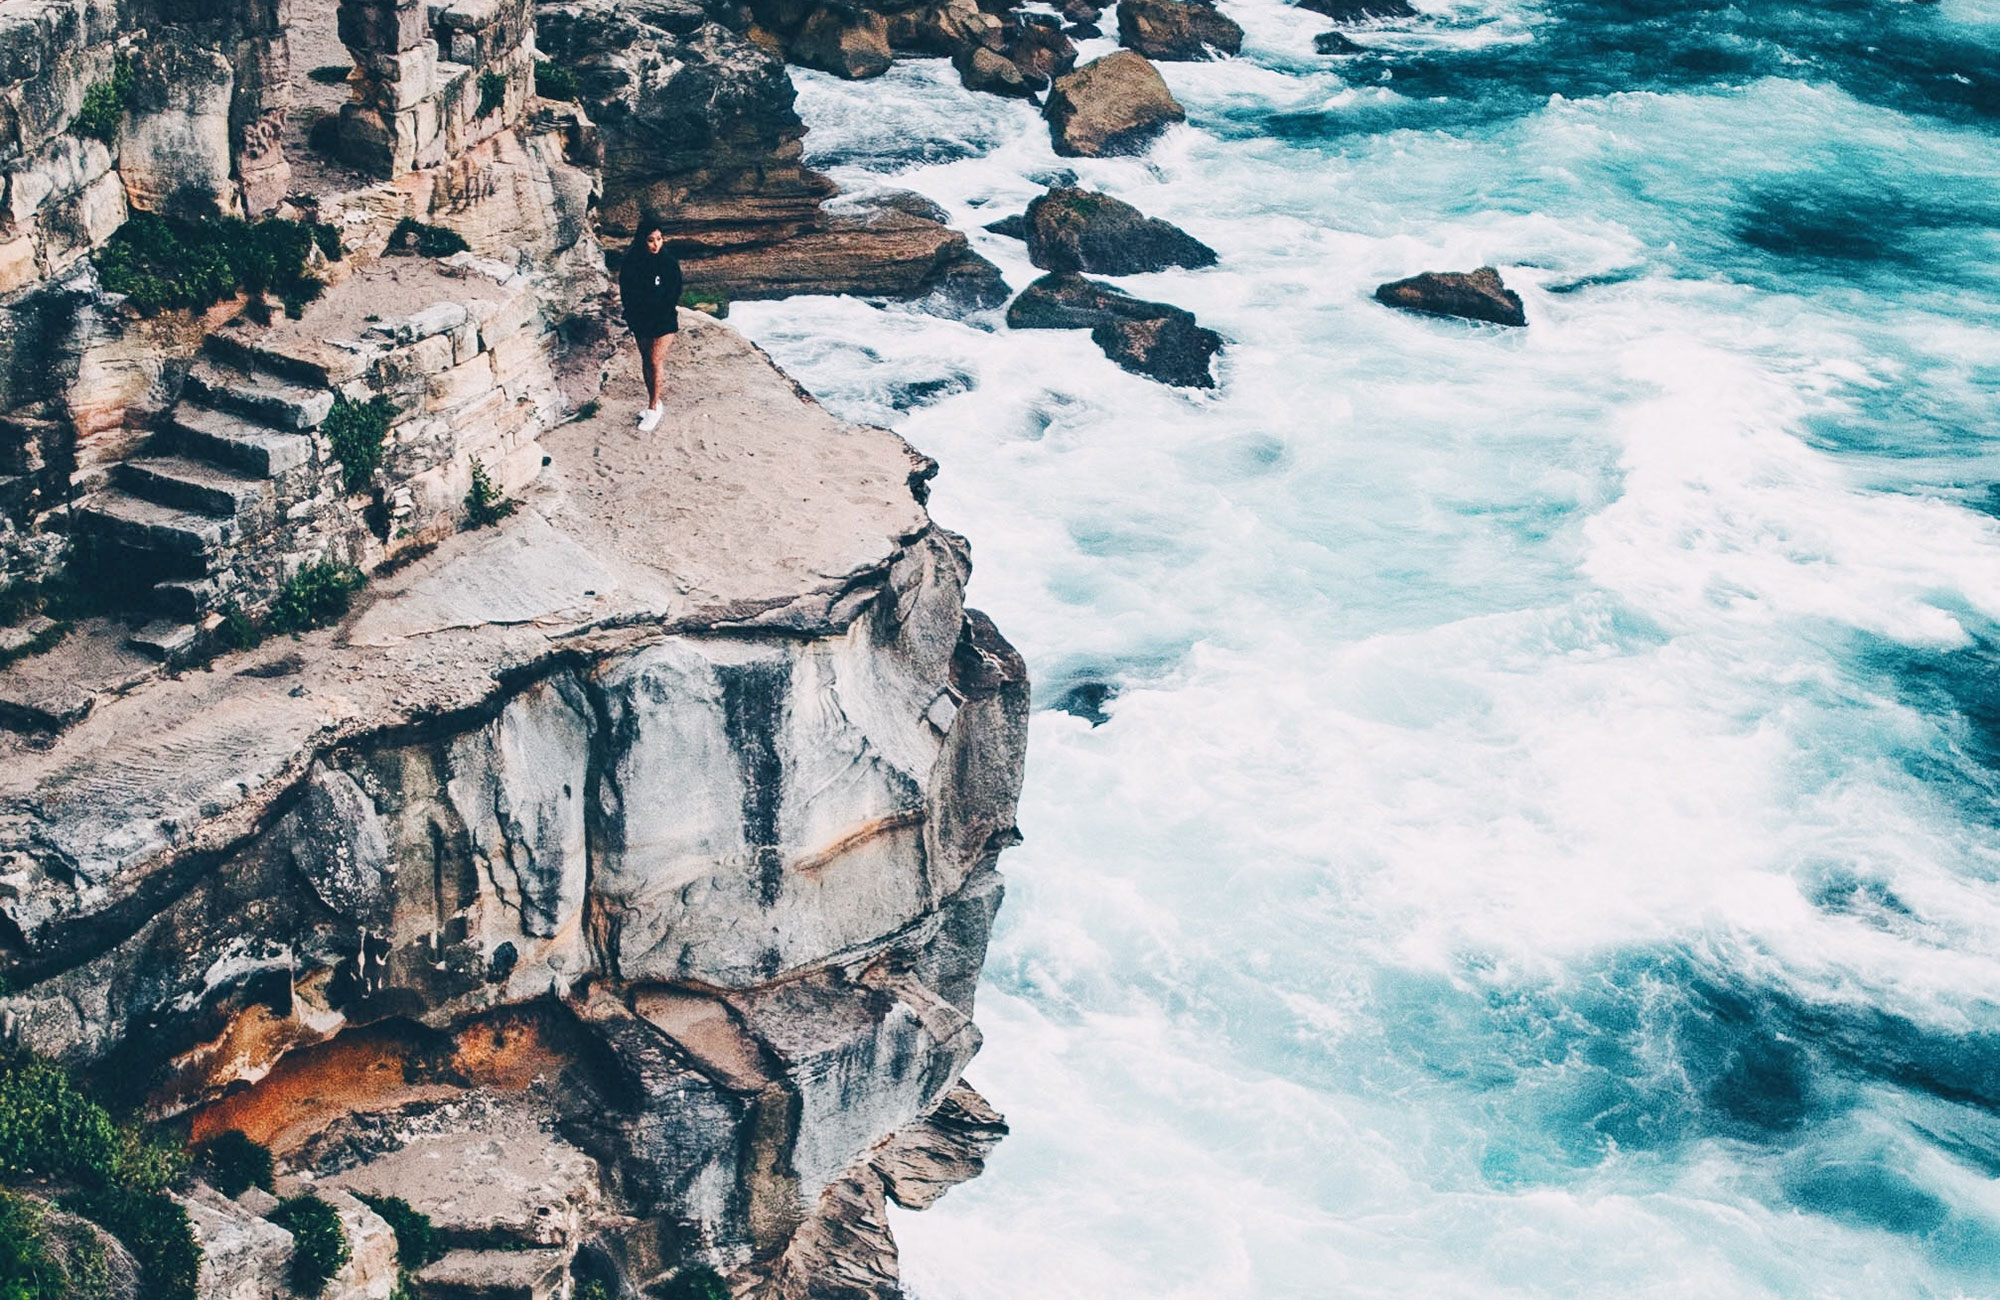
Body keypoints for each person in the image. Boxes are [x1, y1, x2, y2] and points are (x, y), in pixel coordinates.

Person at [619, 221, 682, 431]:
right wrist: (632, 314)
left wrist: (658, 306)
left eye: (659, 239)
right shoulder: (631, 263)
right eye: (650, 240)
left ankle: (654, 408)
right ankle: (653, 401)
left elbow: (674, 292)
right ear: (642, 241)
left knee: (655, 360)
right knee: (646, 360)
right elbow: (626, 291)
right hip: (641, 320)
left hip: (663, 320)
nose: (656, 245)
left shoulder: (669, 263)